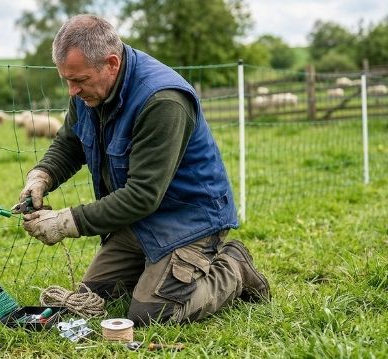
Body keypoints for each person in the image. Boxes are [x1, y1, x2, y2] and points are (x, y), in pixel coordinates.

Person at [16, 14, 270, 326]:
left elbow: (142, 195)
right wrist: (41, 176)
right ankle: (157, 270)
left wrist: (64, 222)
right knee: (94, 294)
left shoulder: (163, 100)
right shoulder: (89, 90)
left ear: (111, 63)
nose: (72, 91)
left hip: (188, 218)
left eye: (79, 81)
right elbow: (70, 142)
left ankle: (233, 268)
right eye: (66, 80)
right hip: (138, 221)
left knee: (151, 314)